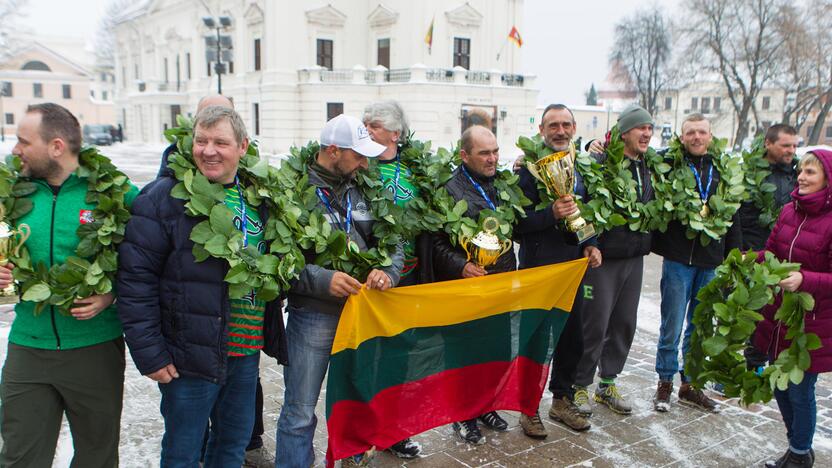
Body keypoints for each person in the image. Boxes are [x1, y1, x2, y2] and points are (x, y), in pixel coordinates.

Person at [117, 106, 286, 467]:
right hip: (189, 355)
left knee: (233, 444)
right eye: (201, 141)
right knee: (183, 451)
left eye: (220, 142)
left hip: (244, 350)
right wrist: (151, 354)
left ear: (242, 147)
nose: (209, 150)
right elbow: (135, 281)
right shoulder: (163, 198)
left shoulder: (261, 198)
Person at [0, 103, 138, 467]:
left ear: (56, 146)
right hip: (28, 346)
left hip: (94, 347)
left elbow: (147, 262)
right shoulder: (10, 193)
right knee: (20, 457)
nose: (15, 150)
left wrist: (111, 294)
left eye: (23, 141)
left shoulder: (117, 194)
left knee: (97, 455)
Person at [275, 114, 403, 468]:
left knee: (359, 403)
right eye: (358, 155)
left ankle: (356, 460)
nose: (365, 162)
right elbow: (278, 259)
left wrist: (388, 273)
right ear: (333, 151)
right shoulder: (293, 190)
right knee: (300, 411)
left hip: (361, 314)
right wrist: (321, 280)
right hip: (313, 316)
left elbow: (394, 244)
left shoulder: (367, 186)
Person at [432, 125, 524, 444]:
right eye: (484, 153)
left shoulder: (503, 185)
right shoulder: (449, 190)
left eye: (496, 151)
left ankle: (485, 406)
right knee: (465, 355)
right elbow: (436, 243)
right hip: (466, 288)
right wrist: (462, 265)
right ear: (464, 155)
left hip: (499, 284)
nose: (493, 158)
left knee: (495, 350)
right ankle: (462, 414)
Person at [515, 104, 601, 436]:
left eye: (566, 124)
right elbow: (517, 225)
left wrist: (593, 244)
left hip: (573, 270)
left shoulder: (585, 170)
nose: (560, 131)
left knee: (572, 339)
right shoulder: (526, 172)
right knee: (536, 342)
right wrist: (550, 213)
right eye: (553, 125)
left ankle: (561, 400)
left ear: (575, 127)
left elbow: (593, 214)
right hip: (538, 272)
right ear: (541, 130)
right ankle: (527, 408)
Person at [651, 113, 741, 412]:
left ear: (710, 136)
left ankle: (690, 384)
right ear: (681, 137)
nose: (696, 137)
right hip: (679, 259)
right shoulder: (670, 164)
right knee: (672, 323)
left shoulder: (723, 170)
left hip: (711, 260)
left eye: (702, 132)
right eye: (690, 132)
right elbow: (637, 157)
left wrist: (733, 255)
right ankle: (665, 382)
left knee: (700, 326)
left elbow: (734, 215)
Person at [573, 105, 654, 416]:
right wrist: (588, 243)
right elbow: (579, 205)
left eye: (649, 128)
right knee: (594, 323)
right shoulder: (600, 162)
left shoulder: (651, 165)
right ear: (624, 133)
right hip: (602, 259)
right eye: (640, 128)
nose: (646, 133)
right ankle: (580, 385)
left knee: (624, 323)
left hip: (635, 257)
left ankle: (607, 383)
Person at [757, 150, 832, 468]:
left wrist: (804, 279)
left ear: (827, 180)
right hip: (779, 315)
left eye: (811, 173)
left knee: (800, 389)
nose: (801, 177)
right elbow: (772, 251)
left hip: (812, 323)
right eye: (801, 171)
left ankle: (800, 454)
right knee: (780, 384)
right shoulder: (789, 210)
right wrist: (753, 259)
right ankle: (798, 447)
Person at [362, 100, 425, 459]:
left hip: (413, 277)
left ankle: (394, 430)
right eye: (365, 124)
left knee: (402, 358)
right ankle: (366, 429)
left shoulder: (417, 170)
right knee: (373, 356)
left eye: (374, 125)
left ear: (396, 134)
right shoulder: (360, 167)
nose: (367, 130)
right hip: (374, 279)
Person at [739, 124, 799, 251]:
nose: (792, 150)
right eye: (786, 145)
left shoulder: (798, 178)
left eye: (794, 146)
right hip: (749, 254)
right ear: (768, 143)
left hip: (784, 255)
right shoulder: (743, 175)